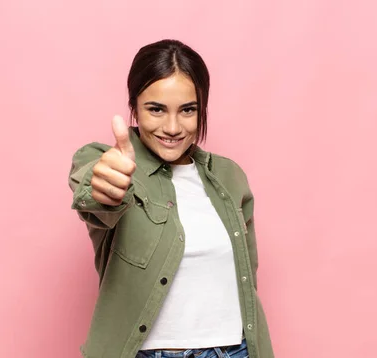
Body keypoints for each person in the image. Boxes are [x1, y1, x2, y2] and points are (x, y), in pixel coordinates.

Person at [69, 39, 274, 358]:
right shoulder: (110, 163)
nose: (173, 127)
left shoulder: (230, 178)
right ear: (134, 106)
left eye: (188, 110)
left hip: (235, 352)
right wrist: (103, 186)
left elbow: (248, 279)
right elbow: (94, 196)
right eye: (156, 109)